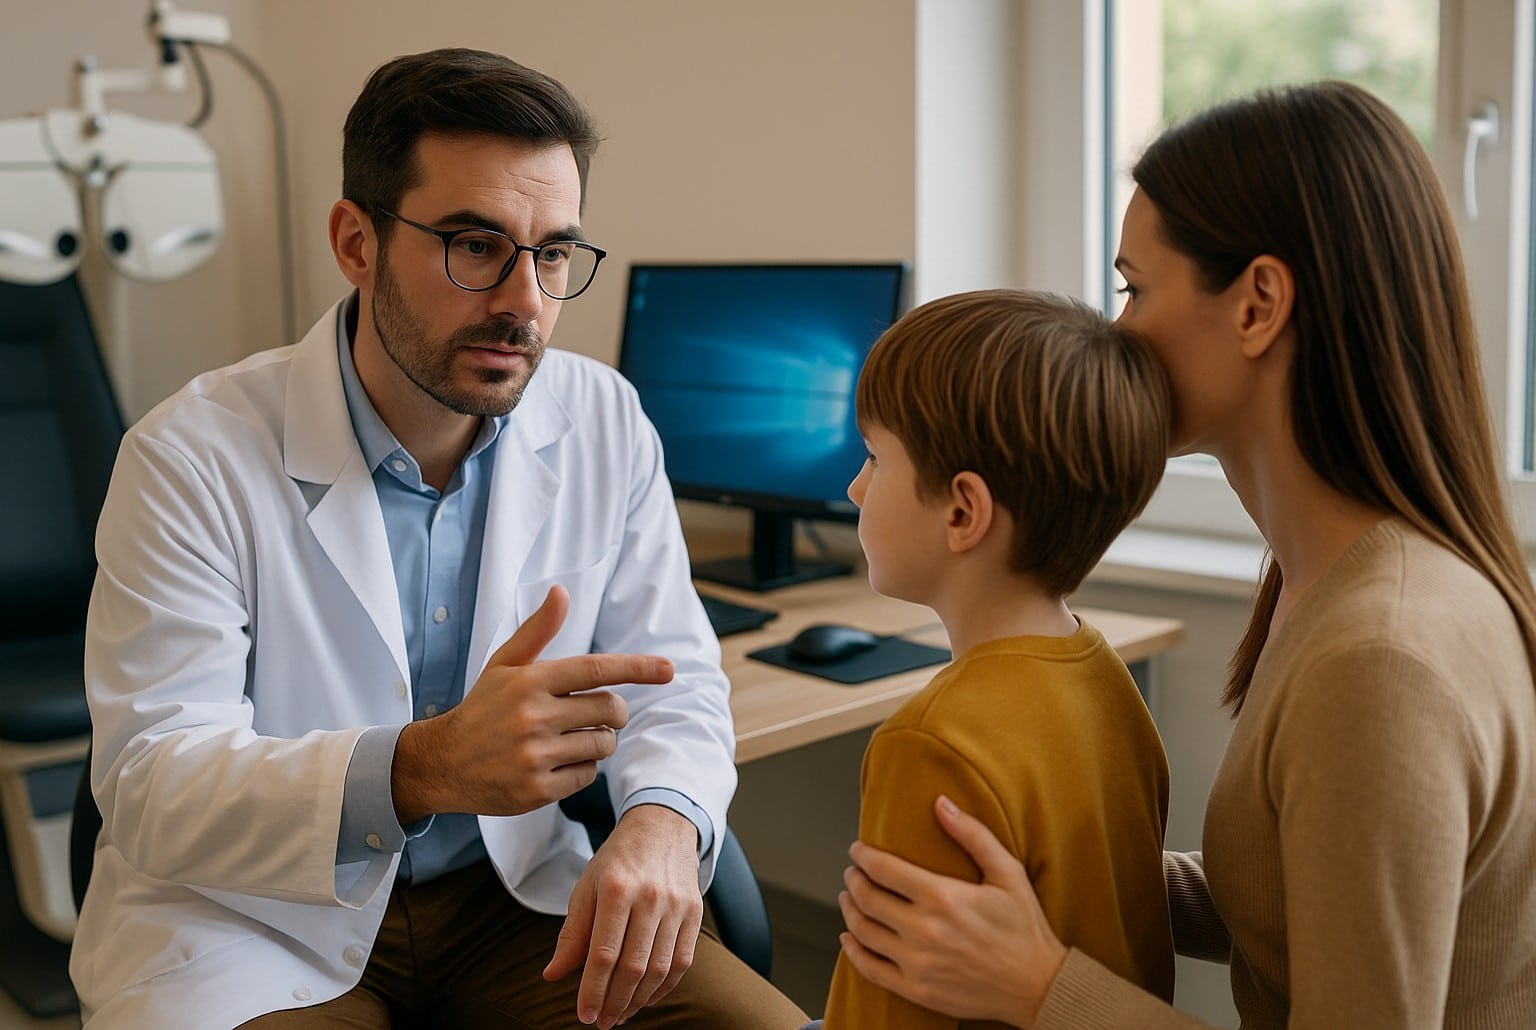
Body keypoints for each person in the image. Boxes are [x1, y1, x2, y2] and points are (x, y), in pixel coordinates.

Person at [70, 48, 808, 1030]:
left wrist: (665, 823)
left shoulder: (604, 419)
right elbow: (150, 779)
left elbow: (676, 680)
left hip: (519, 907)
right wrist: (420, 767)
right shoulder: (188, 455)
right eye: (474, 243)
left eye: (552, 253)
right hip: (258, 923)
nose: (524, 300)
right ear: (355, 241)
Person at [834, 80, 1536, 1029]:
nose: (1116, 333)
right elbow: (1299, 901)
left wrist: (1043, 987)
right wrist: (1068, 857)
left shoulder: (1381, 660)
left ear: (1257, 305)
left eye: (1135, 289)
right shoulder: (1331, 576)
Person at [811, 290, 1175, 1029]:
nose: (854, 486)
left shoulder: (932, 743)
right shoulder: (1106, 678)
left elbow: (886, 1008)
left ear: (962, 512)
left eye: (876, 458)